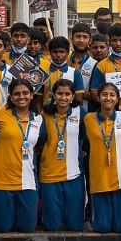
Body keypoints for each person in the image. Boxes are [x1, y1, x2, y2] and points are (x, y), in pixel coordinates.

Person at [0, 79, 42, 232]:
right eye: (17, 94)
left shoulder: (38, 119)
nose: (21, 97)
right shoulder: (0, 115)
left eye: (25, 93)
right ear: (11, 97)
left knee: (28, 227)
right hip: (1, 180)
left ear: (32, 95)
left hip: (26, 180)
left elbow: (41, 144)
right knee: (3, 228)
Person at [81, 82, 121, 233]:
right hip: (99, 175)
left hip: (120, 175)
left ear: (117, 99)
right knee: (103, 228)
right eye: (104, 94)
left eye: (112, 95)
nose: (108, 98)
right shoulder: (88, 119)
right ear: (98, 97)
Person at [37, 79, 87, 231]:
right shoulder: (44, 114)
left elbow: (86, 138)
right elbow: (39, 141)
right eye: (60, 94)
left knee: (75, 226)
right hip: (49, 174)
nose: (63, 98)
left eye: (67, 94)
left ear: (73, 97)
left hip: (73, 173)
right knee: (53, 226)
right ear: (53, 94)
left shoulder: (80, 114)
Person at [41, 36, 85, 108]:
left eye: (61, 52)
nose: (58, 55)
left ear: (68, 53)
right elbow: (38, 99)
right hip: (46, 114)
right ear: (50, 53)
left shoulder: (75, 73)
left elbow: (78, 99)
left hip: (68, 115)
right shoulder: (43, 73)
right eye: (55, 52)